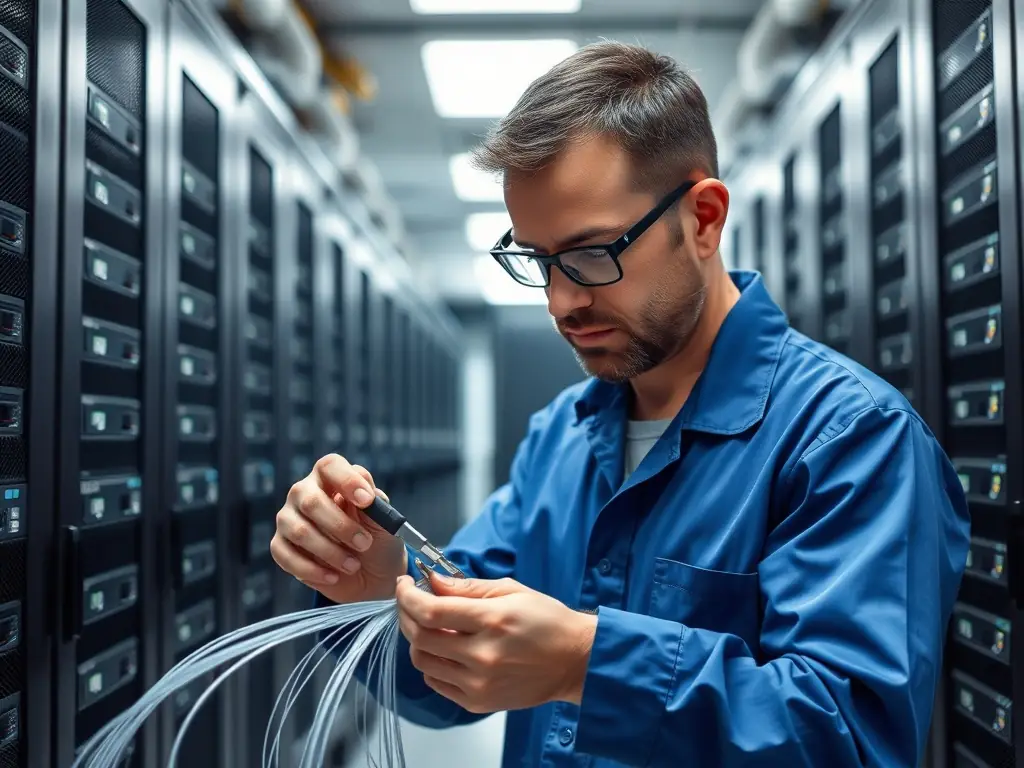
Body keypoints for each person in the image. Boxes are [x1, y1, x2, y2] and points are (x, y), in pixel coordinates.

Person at [271, 41, 970, 767]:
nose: (561, 300)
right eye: (537, 261)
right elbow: (451, 683)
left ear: (703, 218)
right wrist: (373, 584)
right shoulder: (562, 438)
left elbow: (850, 740)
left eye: (593, 252)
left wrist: (585, 663)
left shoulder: (852, 442)